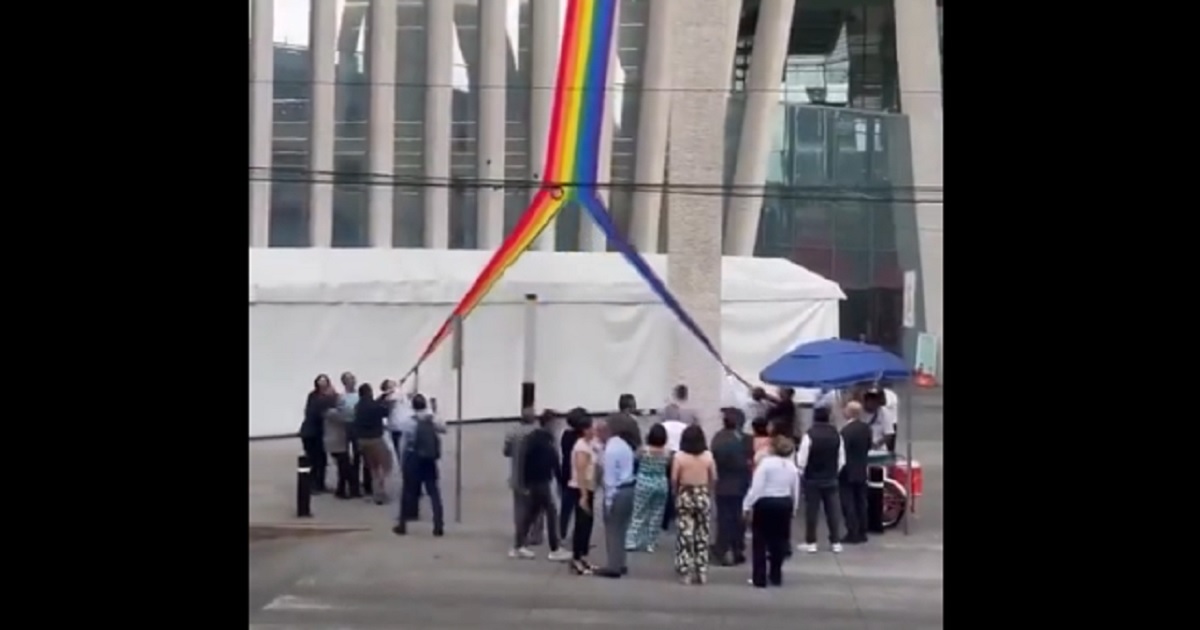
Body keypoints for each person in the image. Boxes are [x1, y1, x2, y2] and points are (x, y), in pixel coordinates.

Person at [510, 411, 572, 560]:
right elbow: (552, 461)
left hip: (535, 481)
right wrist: (559, 480)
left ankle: (519, 545)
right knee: (551, 512)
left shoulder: (536, 438)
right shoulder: (543, 440)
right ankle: (555, 548)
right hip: (540, 481)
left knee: (531, 514)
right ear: (549, 424)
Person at [743, 435, 800, 588]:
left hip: (766, 503)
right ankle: (776, 575)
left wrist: (747, 505)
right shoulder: (791, 467)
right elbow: (795, 490)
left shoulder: (765, 464)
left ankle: (759, 577)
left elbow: (757, 487)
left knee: (760, 541)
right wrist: (794, 508)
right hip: (784, 503)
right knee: (779, 540)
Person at [393, 394, 446, 536]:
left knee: (408, 492)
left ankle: (402, 524)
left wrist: (402, 461)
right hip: (429, 459)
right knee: (433, 491)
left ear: (412, 406)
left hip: (413, 457)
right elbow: (444, 428)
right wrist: (434, 412)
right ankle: (438, 524)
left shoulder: (409, 421)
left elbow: (403, 442)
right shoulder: (432, 418)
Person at [796, 406, 845, 553]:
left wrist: (802, 473)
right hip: (831, 478)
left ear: (814, 418)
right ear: (829, 417)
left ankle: (811, 542)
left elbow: (802, 460)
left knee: (812, 511)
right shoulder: (837, 435)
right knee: (833, 511)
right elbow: (842, 459)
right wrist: (834, 472)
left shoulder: (809, 435)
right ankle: (835, 541)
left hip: (812, 478)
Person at [671, 425, 715, 585]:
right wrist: (708, 491)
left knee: (685, 535)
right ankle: (701, 570)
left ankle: (685, 572)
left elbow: (674, 478)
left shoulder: (679, 457)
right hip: (702, 493)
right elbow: (714, 477)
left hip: (685, 494)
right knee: (702, 534)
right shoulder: (708, 456)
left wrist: (676, 493)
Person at [593, 419, 637, 578]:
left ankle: (613, 566)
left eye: (598, 433)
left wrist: (608, 502)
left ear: (604, 432)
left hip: (618, 492)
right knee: (622, 529)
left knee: (612, 530)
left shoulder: (610, 451)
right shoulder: (622, 444)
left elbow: (610, 479)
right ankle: (621, 562)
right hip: (630, 488)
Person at [711, 408, 752, 566]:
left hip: (723, 482)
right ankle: (737, 548)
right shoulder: (747, 440)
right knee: (738, 518)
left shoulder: (718, 438)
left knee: (724, 518)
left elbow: (715, 458)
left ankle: (722, 548)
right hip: (741, 483)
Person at [625, 423, 671, 552]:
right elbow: (668, 466)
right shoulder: (667, 452)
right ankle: (651, 543)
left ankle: (631, 541)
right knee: (656, 514)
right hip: (661, 483)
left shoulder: (643, 450)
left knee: (639, 512)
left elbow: (634, 459)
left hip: (644, 482)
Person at [504, 408, 544, 547]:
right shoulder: (539, 433)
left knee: (520, 509)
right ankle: (536, 535)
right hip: (535, 476)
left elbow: (506, 451)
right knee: (537, 508)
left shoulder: (513, 432)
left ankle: (521, 535)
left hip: (517, 476)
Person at [567, 414, 599, 574]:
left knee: (588, 524)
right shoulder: (581, 448)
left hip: (589, 488)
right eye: (592, 427)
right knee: (581, 524)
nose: (594, 430)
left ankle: (583, 557)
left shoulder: (589, 444)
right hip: (581, 489)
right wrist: (584, 495)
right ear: (585, 430)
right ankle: (576, 558)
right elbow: (580, 472)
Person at [839, 401, 872, 544]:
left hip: (847, 470)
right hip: (861, 468)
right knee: (861, 501)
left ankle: (852, 531)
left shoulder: (846, 431)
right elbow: (869, 445)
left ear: (850, 412)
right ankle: (863, 530)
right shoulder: (866, 429)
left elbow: (842, 452)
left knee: (848, 502)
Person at [352, 383, 391, 504]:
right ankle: (380, 493)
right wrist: (386, 401)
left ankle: (375, 492)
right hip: (375, 439)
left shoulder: (358, 406)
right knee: (385, 465)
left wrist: (381, 398)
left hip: (362, 440)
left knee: (373, 467)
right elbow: (385, 412)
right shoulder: (374, 406)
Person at [300, 375, 338, 494]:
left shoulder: (322, 397)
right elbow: (317, 411)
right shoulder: (314, 397)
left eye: (325, 382)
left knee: (321, 460)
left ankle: (320, 484)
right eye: (321, 383)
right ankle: (312, 485)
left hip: (319, 433)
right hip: (311, 433)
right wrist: (331, 397)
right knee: (314, 460)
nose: (323, 385)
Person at [339, 372, 372, 499]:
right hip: (349, 426)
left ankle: (367, 484)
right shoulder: (342, 397)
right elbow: (340, 411)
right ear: (344, 382)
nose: (352, 381)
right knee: (352, 457)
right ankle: (354, 485)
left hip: (361, 428)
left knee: (365, 456)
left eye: (353, 378)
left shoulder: (360, 395)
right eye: (349, 379)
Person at [559, 409, 585, 539]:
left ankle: (561, 533)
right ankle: (578, 536)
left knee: (565, 508)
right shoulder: (582, 439)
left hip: (566, 473)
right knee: (580, 508)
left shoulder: (566, 435)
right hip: (579, 476)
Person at [323, 391, 353, 499]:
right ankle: (341, 490)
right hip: (336, 443)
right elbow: (347, 418)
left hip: (337, 443)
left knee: (344, 467)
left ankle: (343, 489)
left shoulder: (331, 412)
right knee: (343, 467)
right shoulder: (332, 413)